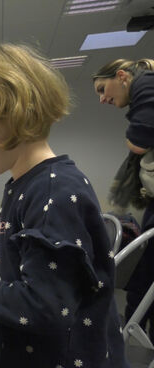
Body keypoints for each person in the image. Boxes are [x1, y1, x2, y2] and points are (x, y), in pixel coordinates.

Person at [0, 44, 135, 368]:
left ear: (9, 114)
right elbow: (46, 270)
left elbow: (44, 306)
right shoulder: (27, 183)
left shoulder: (53, 192)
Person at [93, 58, 154, 337]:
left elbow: (139, 140)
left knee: (144, 281)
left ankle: (129, 336)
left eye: (103, 89)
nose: (103, 98)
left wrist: (133, 140)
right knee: (144, 281)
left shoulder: (146, 84)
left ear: (122, 76)